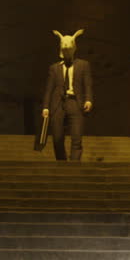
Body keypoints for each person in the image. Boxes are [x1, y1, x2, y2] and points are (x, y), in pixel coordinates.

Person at [41, 29, 93, 161]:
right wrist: (46, 107)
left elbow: (87, 84)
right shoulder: (54, 68)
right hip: (58, 104)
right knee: (57, 137)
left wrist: (88, 99)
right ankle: (61, 162)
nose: (66, 52)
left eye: (69, 49)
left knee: (77, 137)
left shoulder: (83, 65)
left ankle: (74, 165)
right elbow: (49, 88)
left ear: (74, 49)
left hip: (75, 102)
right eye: (64, 50)